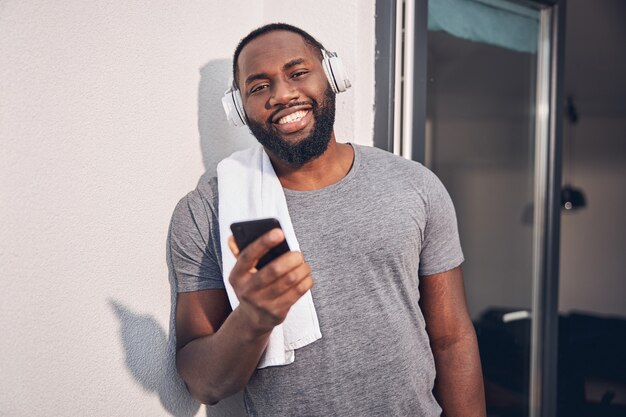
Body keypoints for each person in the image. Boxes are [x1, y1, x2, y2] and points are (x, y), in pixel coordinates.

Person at [170, 23, 486, 416]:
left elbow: (452, 338)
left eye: (298, 73)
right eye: (259, 87)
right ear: (239, 109)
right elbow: (203, 383)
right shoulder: (206, 213)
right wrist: (253, 319)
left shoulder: (415, 185)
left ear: (332, 76)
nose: (282, 94)